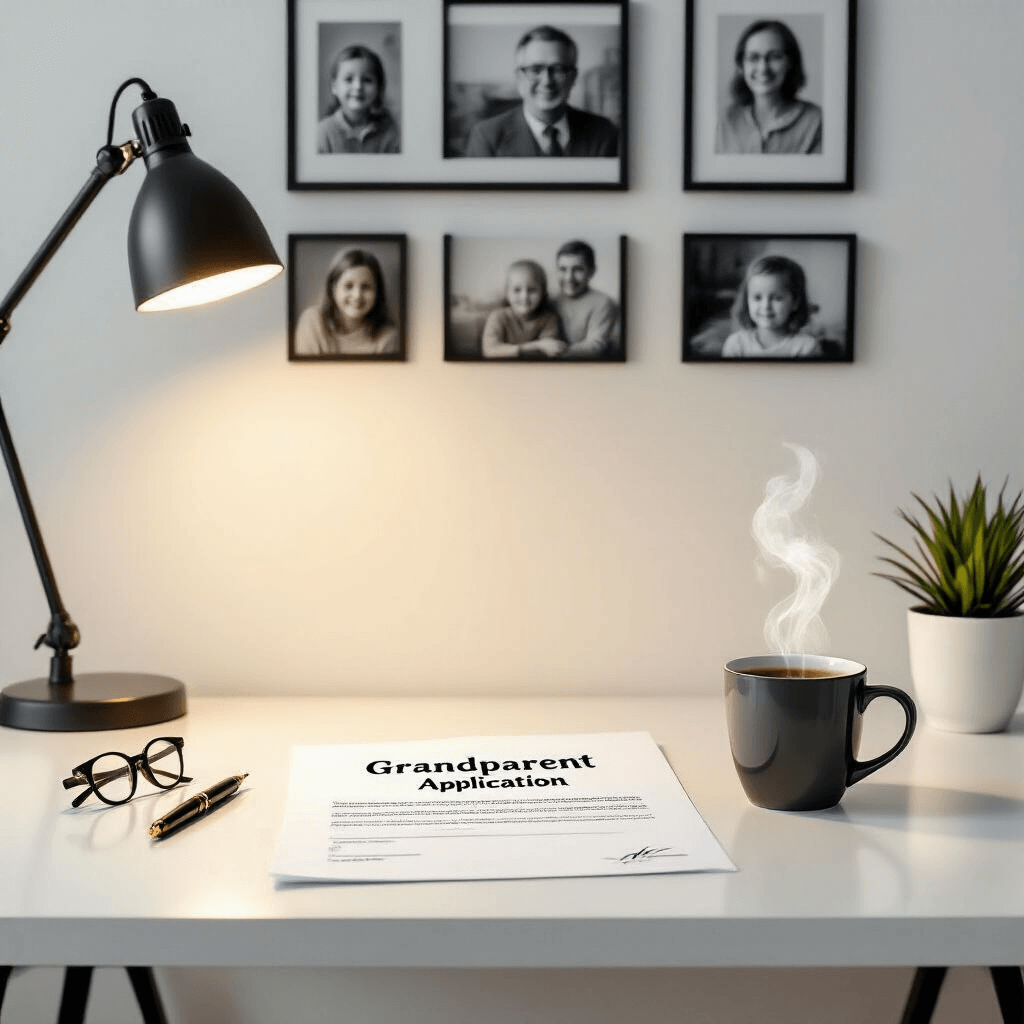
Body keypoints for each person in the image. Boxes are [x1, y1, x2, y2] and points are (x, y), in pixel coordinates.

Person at [464, 25, 618, 158]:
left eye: (558, 69)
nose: (547, 81)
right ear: (519, 77)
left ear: (573, 77)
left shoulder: (603, 133)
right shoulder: (486, 137)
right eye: (535, 70)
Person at [715, 20, 821, 155]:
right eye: (753, 58)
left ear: (790, 63)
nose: (763, 68)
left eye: (774, 57)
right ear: (741, 66)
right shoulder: (727, 120)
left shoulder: (816, 121)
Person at [294, 248, 399, 357]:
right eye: (348, 286)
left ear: (377, 292)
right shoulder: (312, 321)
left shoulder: (388, 336)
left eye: (366, 287)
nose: (357, 295)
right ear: (333, 288)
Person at [721, 254, 822, 358]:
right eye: (757, 298)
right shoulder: (736, 344)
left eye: (777, 298)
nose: (766, 306)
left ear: (795, 302)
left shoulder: (806, 347)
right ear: (746, 301)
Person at [317, 44, 401, 154]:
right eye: (348, 79)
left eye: (367, 80)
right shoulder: (322, 133)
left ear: (379, 87)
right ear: (334, 87)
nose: (358, 86)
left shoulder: (391, 132)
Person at [481, 260, 566, 359]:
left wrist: (540, 347)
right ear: (507, 293)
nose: (524, 296)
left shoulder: (549, 319)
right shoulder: (498, 317)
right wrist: (537, 345)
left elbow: (549, 351)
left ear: (543, 293)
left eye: (532, 290)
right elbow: (490, 351)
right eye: (517, 290)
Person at [552, 240, 620, 359]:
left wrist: (548, 353)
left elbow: (595, 346)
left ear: (592, 271)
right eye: (563, 269)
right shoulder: (551, 300)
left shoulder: (603, 303)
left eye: (577, 269)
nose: (569, 277)